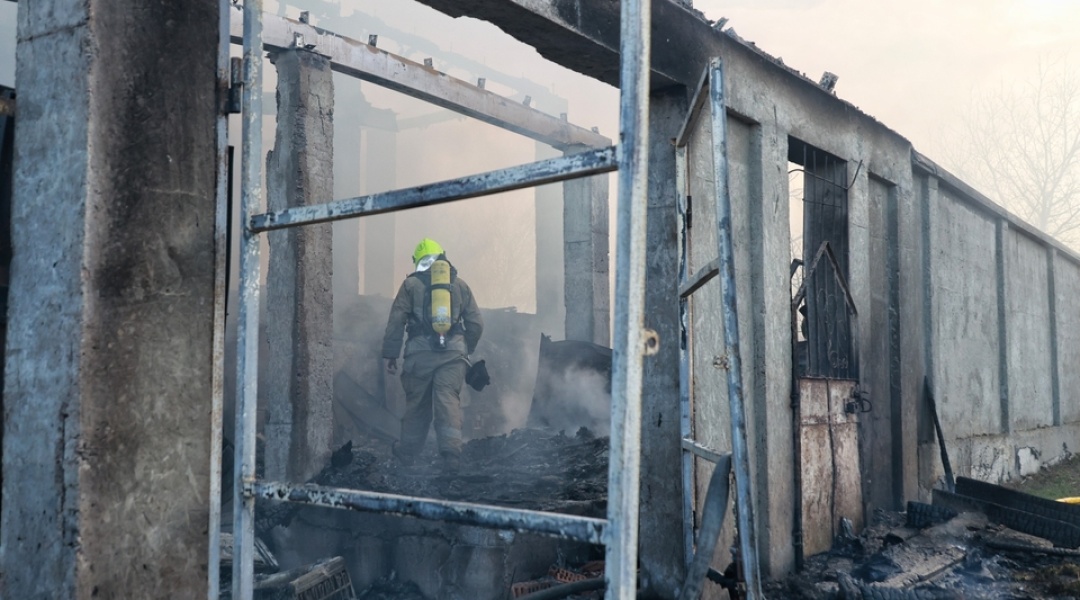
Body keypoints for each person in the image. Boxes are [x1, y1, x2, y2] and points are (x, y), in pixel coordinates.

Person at [382, 238, 483, 470]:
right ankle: (451, 455)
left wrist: (390, 354)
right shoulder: (460, 285)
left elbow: (396, 321)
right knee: (448, 400)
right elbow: (476, 324)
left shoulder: (410, 285)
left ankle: (407, 453)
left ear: (418, 261)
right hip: (454, 355)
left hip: (419, 355)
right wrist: (465, 348)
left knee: (417, 404)